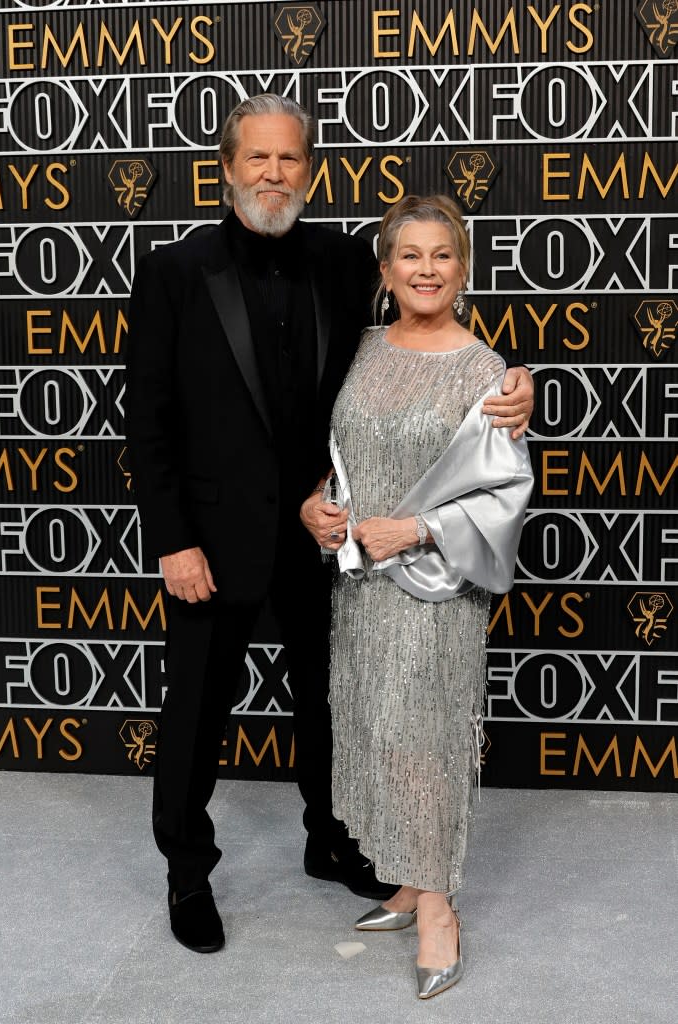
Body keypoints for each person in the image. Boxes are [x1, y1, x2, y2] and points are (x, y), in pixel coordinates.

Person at [125, 94, 535, 954]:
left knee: (330, 705)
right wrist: (172, 539)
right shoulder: (173, 270)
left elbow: (420, 345)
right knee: (196, 709)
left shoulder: (349, 262)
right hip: (213, 537)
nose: (274, 175)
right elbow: (148, 418)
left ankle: (331, 838)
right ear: (227, 168)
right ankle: (187, 870)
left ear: (308, 171)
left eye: (290, 161)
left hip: (326, 536)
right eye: (257, 160)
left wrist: (510, 390)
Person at [300, 195, 534, 999]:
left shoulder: (484, 372)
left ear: (463, 271)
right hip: (360, 583)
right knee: (373, 729)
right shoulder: (358, 349)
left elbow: (503, 493)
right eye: (410, 256)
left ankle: (438, 908)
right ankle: (403, 880)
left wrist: (420, 530)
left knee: (425, 738)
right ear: (385, 270)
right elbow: (334, 448)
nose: (426, 270)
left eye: (442, 256)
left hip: (435, 591)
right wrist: (317, 506)